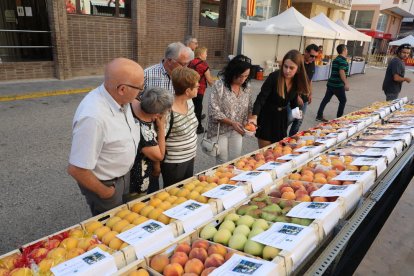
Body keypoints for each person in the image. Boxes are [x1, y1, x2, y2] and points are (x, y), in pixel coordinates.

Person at [67, 58, 144, 215]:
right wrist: (105, 193)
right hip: (106, 184)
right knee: (112, 226)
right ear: (122, 89)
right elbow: (77, 169)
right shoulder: (93, 117)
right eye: (140, 88)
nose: (141, 92)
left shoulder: (119, 97)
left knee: (124, 218)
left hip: (122, 176)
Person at [143, 42, 193, 188]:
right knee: (152, 182)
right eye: (183, 64)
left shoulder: (183, 76)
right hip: (152, 138)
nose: (185, 68)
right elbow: (136, 103)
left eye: (187, 64)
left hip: (175, 141)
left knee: (176, 186)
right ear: (169, 60)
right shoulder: (147, 75)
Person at [250, 50, 310, 148]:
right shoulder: (274, 77)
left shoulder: (296, 81)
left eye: (291, 68)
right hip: (267, 118)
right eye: (285, 66)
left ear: (298, 69)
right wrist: (254, 117)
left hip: (281, 119)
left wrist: (297, 113)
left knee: (277, 151)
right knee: (266, 152)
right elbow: (261, 98)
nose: (287, 70)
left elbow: (293, 101)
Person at [207, 55, 254, 163]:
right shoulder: (219, 85)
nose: (243, 79)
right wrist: (232, 123)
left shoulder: (247, 87)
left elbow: (250, 107)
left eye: (246, 76)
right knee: (222, 161)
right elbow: (213, 110)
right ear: (232, 73)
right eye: (240, 76)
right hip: (220, 130)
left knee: (236, 160)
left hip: (238, 129)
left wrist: (251, 121)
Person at [129, 87, 173, 196]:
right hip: (136, 179)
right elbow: (160, 155)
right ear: (157, 114)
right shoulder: (144, 133)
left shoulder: (133, 102)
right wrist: (161, 128)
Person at [161, 67, 199, 187]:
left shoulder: (190, 102)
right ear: (188, 91)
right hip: (174, 163)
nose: (199, 87)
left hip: (190, 157)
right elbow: (160, 138)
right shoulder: (168, 111)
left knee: (186, 191)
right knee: (175, 194)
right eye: (197, 86)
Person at [288, 44, 318, 136]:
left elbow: (310, 80)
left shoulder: (312, 63)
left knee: (298, 121)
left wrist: (310, 94)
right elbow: (290, 81)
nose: (313, 58)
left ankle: (291, 139)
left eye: (315, 57)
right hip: (294, 98)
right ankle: (278, 138)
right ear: (305, 52)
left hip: (304, 99)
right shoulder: (297, 62)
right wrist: (296, 96)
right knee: (289, 119)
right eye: (312, 55)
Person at [316, 44, 349, 122]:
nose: (347, 51)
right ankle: (339, 118)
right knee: (343, 100)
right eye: (346, 49)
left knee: (326, 99)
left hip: (331, 83)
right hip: (338, 84)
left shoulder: (336, 59)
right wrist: (346, 83)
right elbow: (341, 71)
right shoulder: (343, 60)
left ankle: (319, 115)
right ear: (344, 50)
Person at [188, 46, 216, 134]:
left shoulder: (191, 63)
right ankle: (198, 127)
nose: (206, 55)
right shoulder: (203, 64)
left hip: (189, 88)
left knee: (191, 107)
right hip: (199, 89)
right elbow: (210, 80)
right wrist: (217, 88)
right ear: (201, 54)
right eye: (205, 53)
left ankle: (191, 123)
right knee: (198, 108)